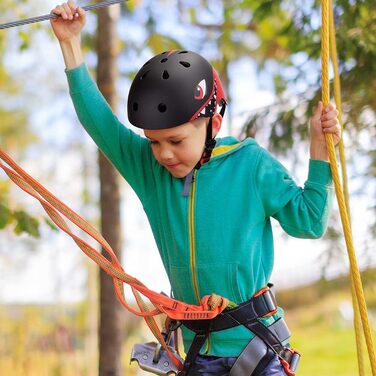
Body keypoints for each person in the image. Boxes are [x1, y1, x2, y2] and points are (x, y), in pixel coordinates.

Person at [50, 2, 341, 375]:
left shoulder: (249, 165)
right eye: (153, 142)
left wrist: (319, 149)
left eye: (175, 140)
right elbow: (99, 122)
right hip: (197, 353)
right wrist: (71, 44)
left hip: (257, 348)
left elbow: (310, 221)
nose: (164, 154)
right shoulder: (149, 170)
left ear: (213, 124)